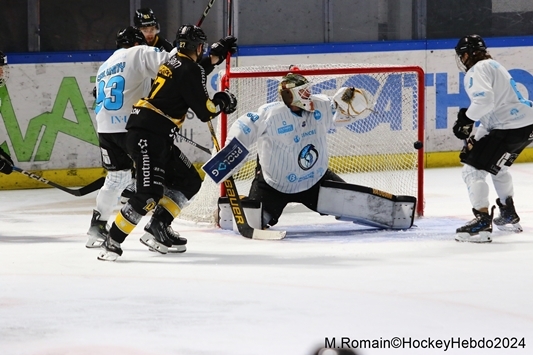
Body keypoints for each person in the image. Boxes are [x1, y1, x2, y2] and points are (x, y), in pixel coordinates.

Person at [97, 24, 237, 261]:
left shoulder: (175, 64)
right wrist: (223, 101)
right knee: (149, 194)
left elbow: (189, 75)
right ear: (197, 46)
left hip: (154, 134)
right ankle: (113, 240)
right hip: (148, 135)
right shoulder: (187, 69)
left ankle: (158, 227)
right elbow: (206, 111)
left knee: (189, 181)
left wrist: (214, 58)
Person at [213, 71, 415, 232]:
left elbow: (341, 115)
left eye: (308, 90)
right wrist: (230, 153)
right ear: (289, 95)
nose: (308, 94)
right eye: (303, 92)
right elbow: (245, 126)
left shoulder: (321, 105)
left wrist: (350, 107)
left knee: (355, 203)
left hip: (316, 180)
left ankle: (394, 214)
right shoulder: (270, 114)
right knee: (255, 220)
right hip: (273, 185)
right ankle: (234, 206)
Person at [86, 26, 173, 248]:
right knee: (158, 177)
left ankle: (96, 226)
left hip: (106, 129)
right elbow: (174, 63)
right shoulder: (139, 53)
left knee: (116, 179)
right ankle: (157, 226)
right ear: (137, 43)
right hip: (132, 128)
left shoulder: (105, 66)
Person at [452, 34, 533, 243]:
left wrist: (465, 120)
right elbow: (491, 115)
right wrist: (475, 140)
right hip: (526, 126)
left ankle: (481, 223)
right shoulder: (494, 65)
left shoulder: (475, 71)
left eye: (462, 55)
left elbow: (484, 102)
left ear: (468, 54)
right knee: (499, 168)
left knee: (472, 171)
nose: (462, 60)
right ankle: (508, 213)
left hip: (509, 128)